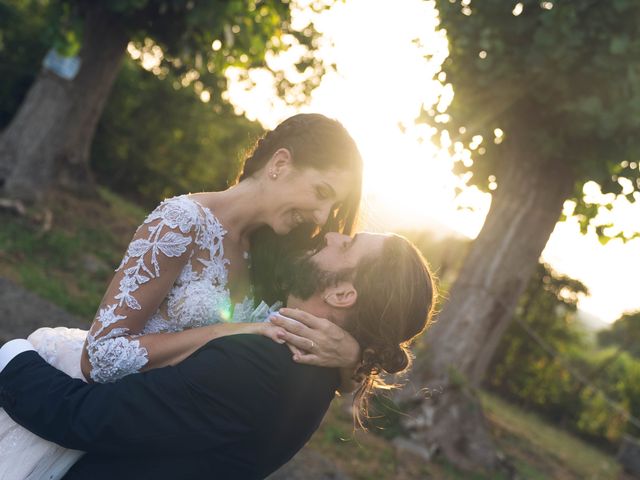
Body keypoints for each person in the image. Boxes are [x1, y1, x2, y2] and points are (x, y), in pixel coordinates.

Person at [0, 113, 365, 478]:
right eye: (321, 193)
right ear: (281, 163)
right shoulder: (182, 221)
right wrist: (225, 332)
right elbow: (99, 358)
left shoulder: (285, 256)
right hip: (85, 413)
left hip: (152, 437)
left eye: (332, 207)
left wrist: (350, 356)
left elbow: (322, 338)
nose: (321, 215)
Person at [0, 231, 436, 479]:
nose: (333, 234)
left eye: (347, 245)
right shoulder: (313, 373)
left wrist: (14, 352)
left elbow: (85, 417)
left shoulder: (263, 365)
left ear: (343, 293)